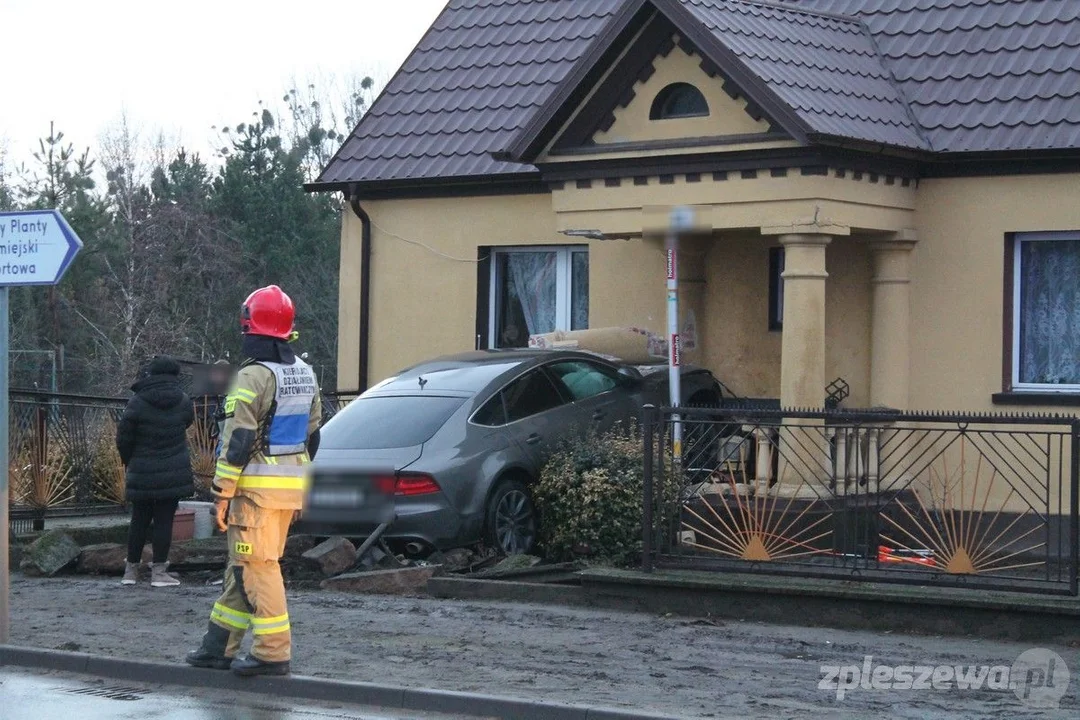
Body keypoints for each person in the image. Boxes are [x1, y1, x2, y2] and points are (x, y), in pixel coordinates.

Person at [185, 285, 322, 677]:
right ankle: (217, 647)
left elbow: (238, 440)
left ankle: (272, 652)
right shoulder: (305, 373)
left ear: (251, 327)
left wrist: (222, 493)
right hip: (288, 489)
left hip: (254, 492)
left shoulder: (251, 376)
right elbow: (313, 435)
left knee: (257, 568)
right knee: (243, 567)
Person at [115, 355, 195, 588]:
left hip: (141, 468)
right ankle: (159, 572)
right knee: (164, 521)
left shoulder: (137, 401)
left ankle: (130, 571)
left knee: (138, 519)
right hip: (173, 469)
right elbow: (187, 423)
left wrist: (130, 460)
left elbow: (124, 437)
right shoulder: (183, 400)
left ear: (151, 373)